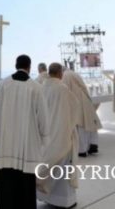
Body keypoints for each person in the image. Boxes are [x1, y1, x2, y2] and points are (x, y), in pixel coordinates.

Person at [0, 54, 49, 209]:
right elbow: (43, 116)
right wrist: (44, 138)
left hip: (5, 144)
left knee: (6, 187)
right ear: (29, 67)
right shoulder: (35, 87)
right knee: (25, 188)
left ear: (16, 65)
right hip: (26, 146)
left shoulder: (3, 84)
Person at [36, 63, 79, 209]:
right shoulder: (63, 89)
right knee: (63, 170)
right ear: (60, 73)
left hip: (46, 136)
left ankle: (49, 198)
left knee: (50, 165)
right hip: (62, 133)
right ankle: (65, 201)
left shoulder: (41, 88)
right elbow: (74, 110)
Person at [62, 69, 102, 156]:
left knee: (80, 126)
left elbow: (65, 91)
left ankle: (82, 150)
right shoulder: (74, 74)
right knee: (90, 123)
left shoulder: (65, 75)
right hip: (85, 98)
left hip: (76, 101)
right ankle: (93, 144)